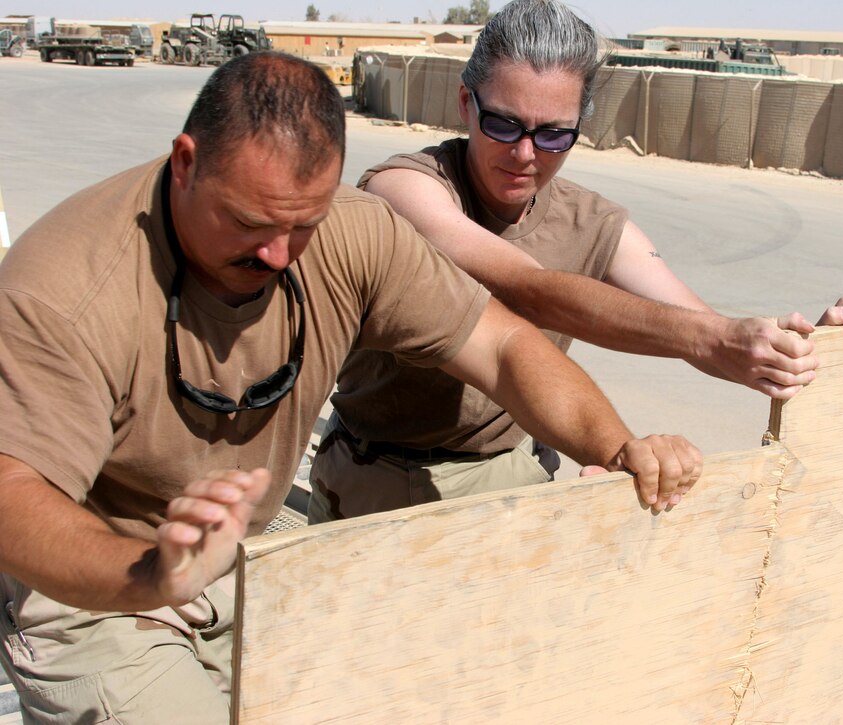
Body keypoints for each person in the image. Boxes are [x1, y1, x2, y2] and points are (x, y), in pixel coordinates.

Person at [0, 51, 700, 722]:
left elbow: (506, 346)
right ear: (186, 163)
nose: (276, 254)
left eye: (301, 226)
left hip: (241, 567)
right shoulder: (66, 285)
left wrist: (618, 445)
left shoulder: (350, 231)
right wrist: (153, 571)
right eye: (249, 223)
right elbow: (11, 496)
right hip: (98, 591)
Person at [308, 0, 843, 523]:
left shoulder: (593, 222)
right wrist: (718, 338)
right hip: (372, 479)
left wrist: (805, 348)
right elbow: (527, 288)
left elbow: (702, 328)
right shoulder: (404, 189)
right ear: (465, 104)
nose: (524, 154)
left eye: (553, 135)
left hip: (508, 481)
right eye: (502, 124)